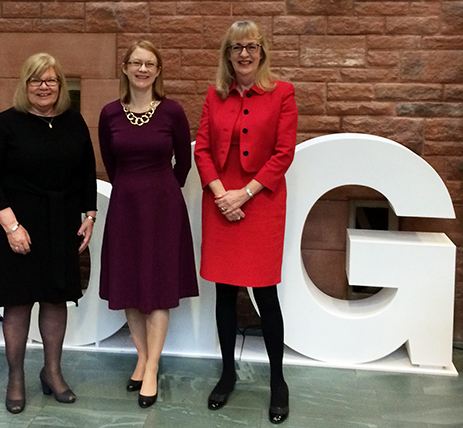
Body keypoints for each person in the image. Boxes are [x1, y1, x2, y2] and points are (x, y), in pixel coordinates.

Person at [0, 53, 97, 414]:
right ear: (24, 85)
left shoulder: (74, 122)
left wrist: (89, 214)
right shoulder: (7, 124)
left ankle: (53, 372)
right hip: (17, 226)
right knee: (18, 302)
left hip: (60, 224)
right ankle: (16, 378)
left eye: (51, 80)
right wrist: (11, 226)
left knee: (55, 299)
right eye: (35, 81)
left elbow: (86, 171)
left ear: (61, 85)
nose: (43, 87)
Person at [194, 21, 298, 424]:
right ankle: (227, 373)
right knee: (224, 293)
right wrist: (222, 195)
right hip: (221, 201)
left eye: (251, 46)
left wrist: (244, 194)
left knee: (265, 295)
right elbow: (202, 149)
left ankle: (277, 382)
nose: (244, 54)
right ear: (227, 54)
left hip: (261, 203)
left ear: (262, 51)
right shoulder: (214, 95)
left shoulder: (282, 93)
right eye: (236, 47)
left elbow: (283, 153)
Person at [98, 40, 199, 409]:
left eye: (150, 64)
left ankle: (152, 367)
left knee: (157, 286)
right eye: (136, 63)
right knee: (128, 284)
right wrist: (131, 187)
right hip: (125, 205)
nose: (143, 69)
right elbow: (110, 162)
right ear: (125, 68)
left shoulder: (172, 111)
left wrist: (161, 189)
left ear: (158, 72)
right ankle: (142, 356)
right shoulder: (109, 113)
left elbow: (184, 165)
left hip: (162, 207)